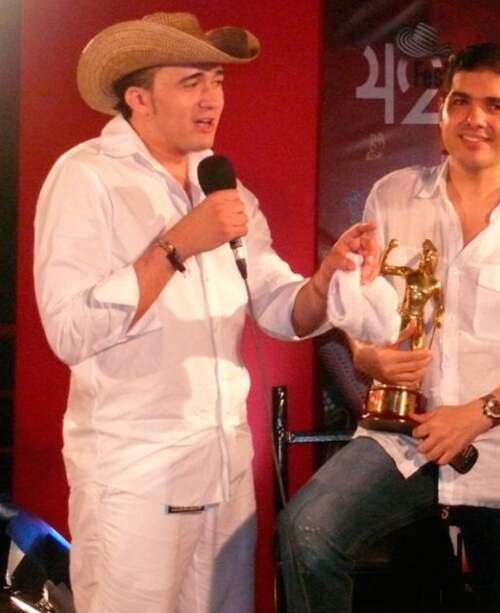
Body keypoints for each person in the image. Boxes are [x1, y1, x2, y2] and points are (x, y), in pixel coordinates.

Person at [33, 12, 377, 613]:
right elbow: (70, 331)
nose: (212, 98)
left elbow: (278, 307)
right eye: (191, 82)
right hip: (137, 474)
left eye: (217, 81)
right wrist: (176, 247)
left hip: (224, 469)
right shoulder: (86, 176)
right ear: (139, 98)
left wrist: (325, 280)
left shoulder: (220, 182)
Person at [277, 43, 500, 613]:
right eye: (461, 102)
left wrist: (478, 414)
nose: (475, 119)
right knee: (307, 531)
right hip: (403, 439)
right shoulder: (393, 195)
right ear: (442, 111)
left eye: (495, 106)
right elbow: (361, 306)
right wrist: (366, 354)